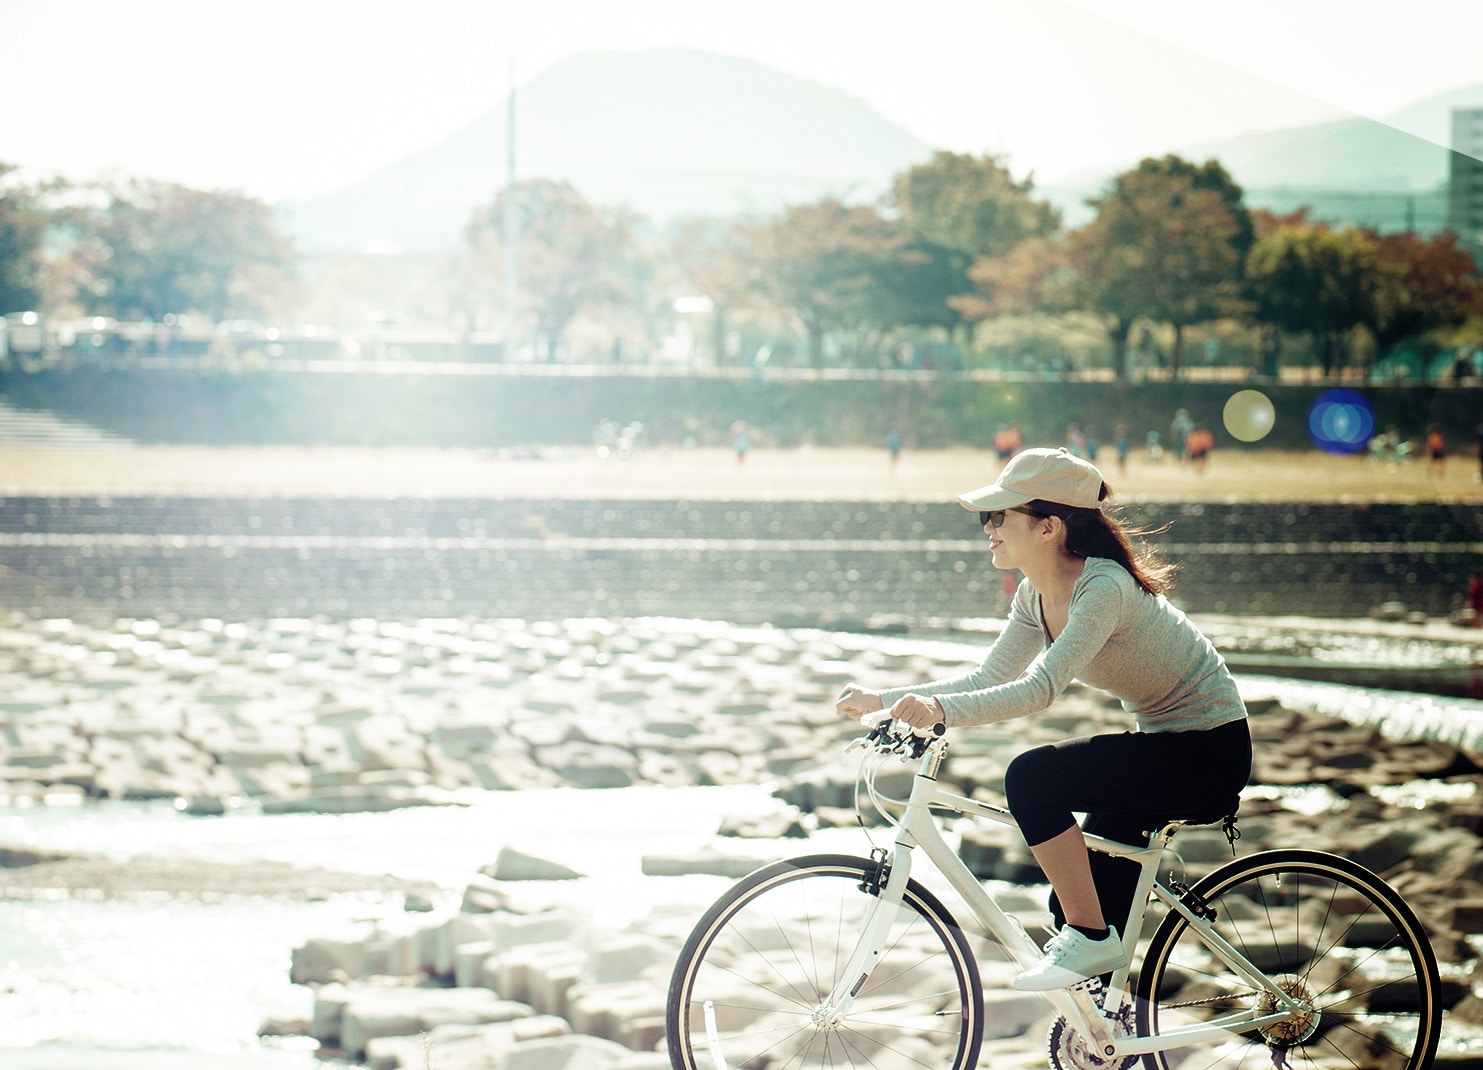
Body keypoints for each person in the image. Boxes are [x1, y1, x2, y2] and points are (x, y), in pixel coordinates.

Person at [836, 447, 1251, 991]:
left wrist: (939, 712)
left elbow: (1040, 689)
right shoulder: (1035, 594)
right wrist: (885, 700)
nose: (988, 528)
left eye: (999, 516)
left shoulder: (1102, 588)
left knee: (1032, 779)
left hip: (1206, 751)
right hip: (1164, 743)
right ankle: (1106, 1029)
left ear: (1049, 527)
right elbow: (988, 677)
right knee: (1074, 904)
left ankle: (1094, 941)